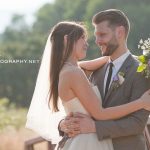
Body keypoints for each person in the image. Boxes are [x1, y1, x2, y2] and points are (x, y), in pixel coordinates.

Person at [59, 9, 150, 150]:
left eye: (102, 35)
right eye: (96, 35)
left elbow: (137, 124)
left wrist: (95, 127)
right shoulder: (94, 70)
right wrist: (63, 124)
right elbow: (85, 109)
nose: (97, 41)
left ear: (119, 32)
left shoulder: (141, 70)